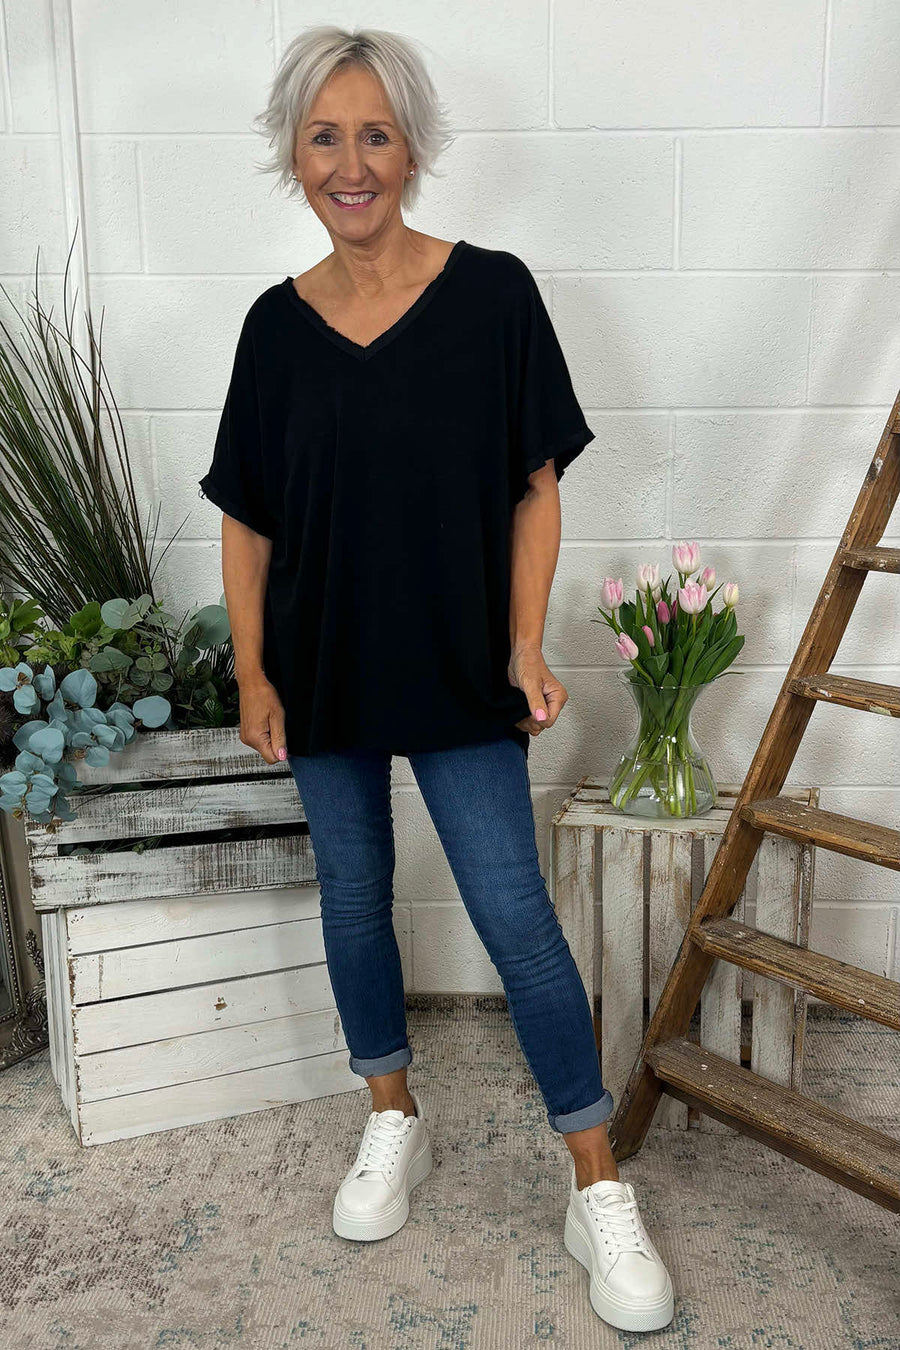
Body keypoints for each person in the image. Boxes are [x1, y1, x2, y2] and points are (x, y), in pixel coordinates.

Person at [198, 24, 674, 1335]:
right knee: (354, 900)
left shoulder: (494, 296)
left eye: (377, 134)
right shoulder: (274, 328)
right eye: (324, 136)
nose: (350, 163)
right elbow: (248, 521)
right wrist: (252, 669)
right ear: (294, 155)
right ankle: (393, 1114)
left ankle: (595, 1181)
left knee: (516, 918)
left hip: (460, 664)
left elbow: (536, 487)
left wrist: (523, 644)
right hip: (323, 670)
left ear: (413, 150)